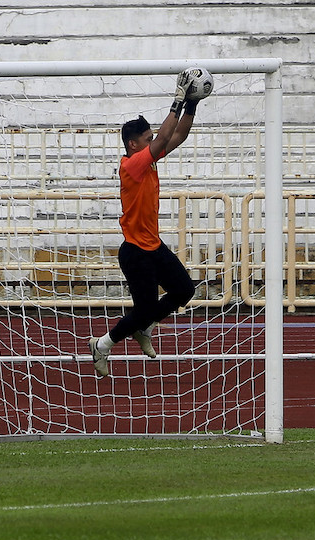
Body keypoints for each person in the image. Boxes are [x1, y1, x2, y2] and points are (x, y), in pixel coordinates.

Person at [89, 73, 200, 377]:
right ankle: (102, 344)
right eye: (148, 140)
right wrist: (177, 100)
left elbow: (178, 137)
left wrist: (192, 103)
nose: (153, 143)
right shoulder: (133, 165)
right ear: (133, 144)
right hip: (136, 252)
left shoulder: (147, 159)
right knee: (144, 309)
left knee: (183, 290)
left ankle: (145, 327)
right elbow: (165, 137)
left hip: (153, 245)